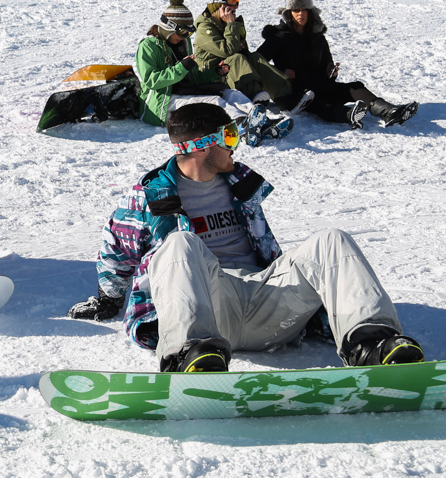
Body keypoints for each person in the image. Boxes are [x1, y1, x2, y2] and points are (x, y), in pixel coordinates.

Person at [65, 102, 424, 372]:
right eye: (230, 136)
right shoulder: (149, 197)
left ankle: (372, 344)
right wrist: (108, 298)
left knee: (332, 240)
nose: (236, 146)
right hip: (209, 308)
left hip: (269, 301)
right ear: (202, 145)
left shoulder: (241, 183)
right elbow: (116, 251)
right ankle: (189, 355)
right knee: (179, 244)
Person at [257, 0, 418, 129]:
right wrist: (280, 74)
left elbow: (326, 65)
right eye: (296, 10)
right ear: (288, 13)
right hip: (294, 93)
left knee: (354, 87)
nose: (301, 14)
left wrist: (330, 71)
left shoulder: (318, 38)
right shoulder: (278, 37)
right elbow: (257, 63)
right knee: (315, 100)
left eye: (304, 9)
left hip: (320, 84)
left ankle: (389, 112)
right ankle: (348, 116)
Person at [133, 0, 256, 127]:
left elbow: (195, 77)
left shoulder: (182, 44)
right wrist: (181, 67)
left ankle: (258, 117)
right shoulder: (148, 46)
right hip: (161, 104)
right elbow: (152, 81)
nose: (184, 36)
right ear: (169, 27)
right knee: (213, 101)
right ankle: (242, 125)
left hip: (184, 93)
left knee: (231, 93)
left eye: (189, 33)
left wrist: (215, 73)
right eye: (182, 31)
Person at [192, 0, 306, 121]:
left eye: (237, 2)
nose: (235, 7)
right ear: (219, 5)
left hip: (228, 71)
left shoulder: (227, 22)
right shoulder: (205, 27)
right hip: (212, 75)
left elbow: (239, 48)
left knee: (254, 57)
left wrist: (238, 39)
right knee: (237, 58)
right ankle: (255, 98)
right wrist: (232, 26)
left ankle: (285, 98)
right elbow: (229, 51)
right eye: (232, 2)